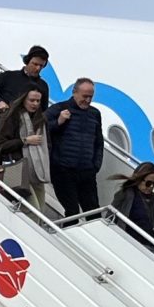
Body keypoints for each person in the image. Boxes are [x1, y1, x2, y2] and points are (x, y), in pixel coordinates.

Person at [47, 78, 105, 215]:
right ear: (74, 92)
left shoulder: (95, 114)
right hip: (63, 170)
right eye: (85, 96)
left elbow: (98, 142)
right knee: (72, 211)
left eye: (91, 97)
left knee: (93, 213)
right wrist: (59, 122)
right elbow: (40, 129)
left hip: (86, 171)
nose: (88, 100)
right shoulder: (58, 109)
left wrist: (95, 165)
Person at [0, 84, 53, 212]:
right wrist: (25, 141)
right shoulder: (11, 117)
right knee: (33, 211)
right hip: (17, 170)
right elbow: (0, 145)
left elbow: (47, 145)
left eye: (38, 101)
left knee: (40, 211)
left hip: (37, 171)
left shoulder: (41, 120)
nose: (35, 104)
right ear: (23, 99)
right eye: (31, 100)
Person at [0, 44, 52, 110]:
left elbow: (44, 111)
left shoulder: (43, 86)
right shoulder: (8, 76)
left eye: (41, 66)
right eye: (35, 64)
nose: (37, 68)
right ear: (27, 61)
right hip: (5, 120)